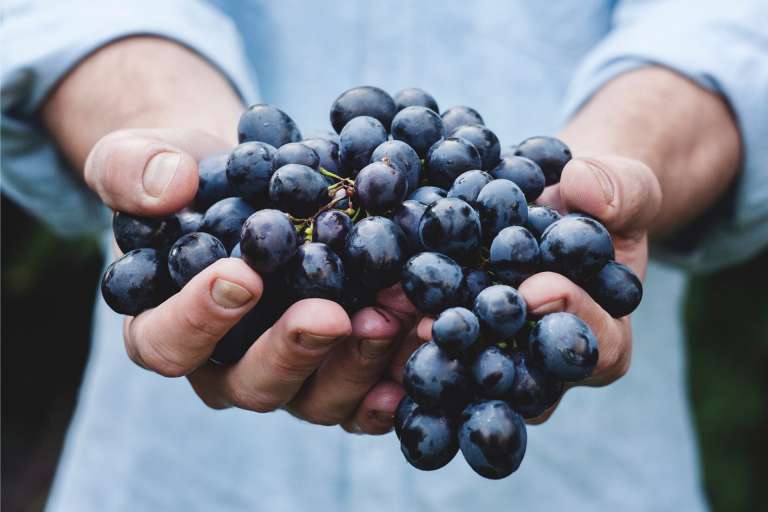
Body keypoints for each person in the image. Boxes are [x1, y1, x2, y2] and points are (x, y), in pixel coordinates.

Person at [3, 0, 767, 510]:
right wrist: (161, 133)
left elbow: (730, 24)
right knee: (226, 288)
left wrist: (626, 161)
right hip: (181, 473)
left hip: (582, 470)